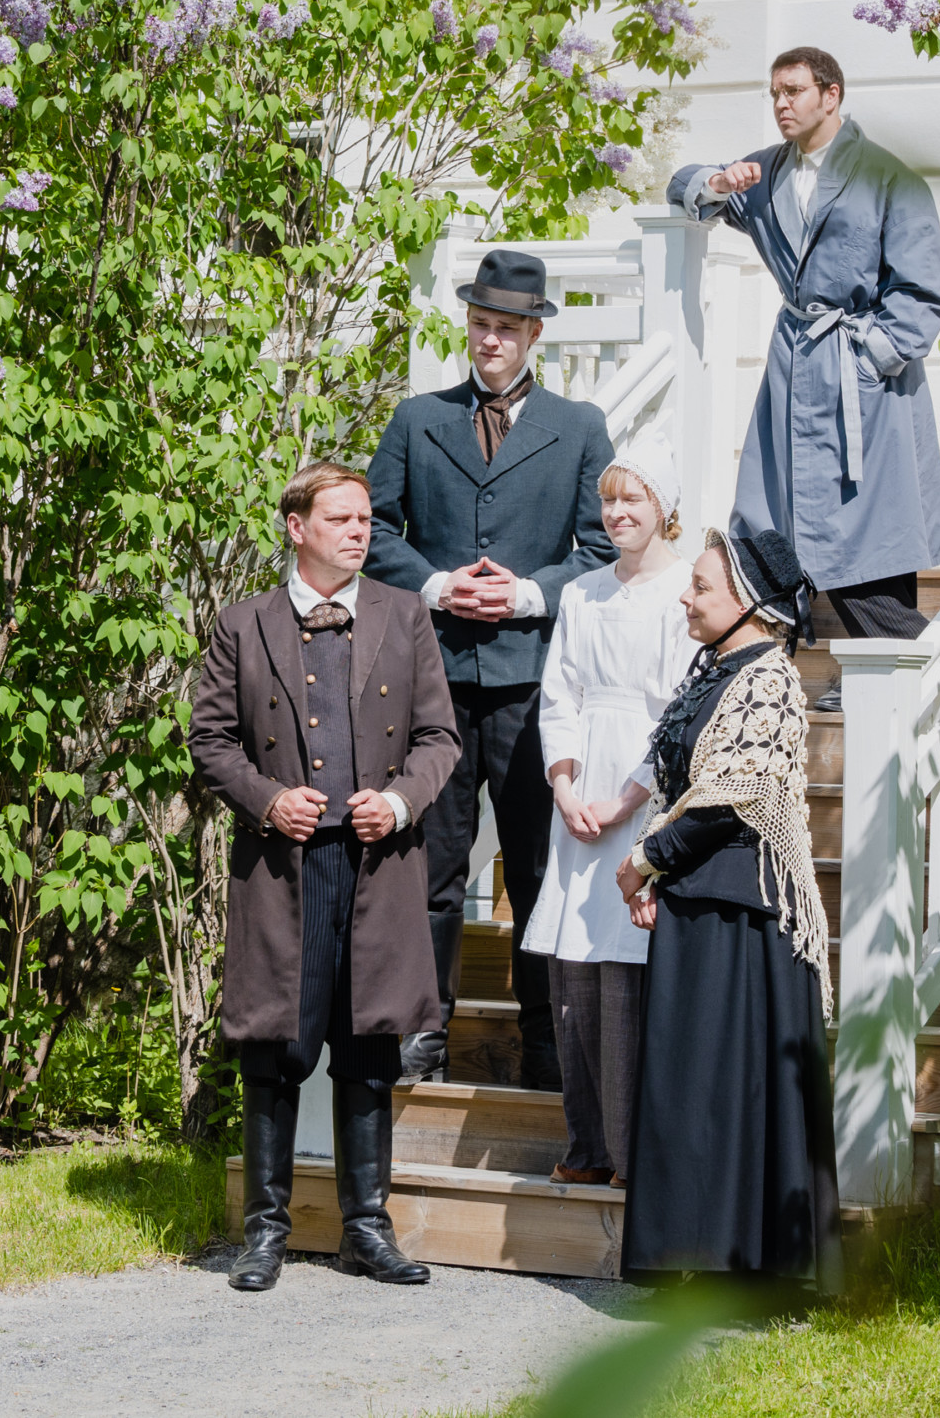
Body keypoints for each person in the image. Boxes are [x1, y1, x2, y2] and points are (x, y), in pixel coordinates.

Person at [189, 462, 462, 1293]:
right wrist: (269, 802)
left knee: (371, 1046)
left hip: (379, 865)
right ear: (295, 526)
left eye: (365, 518)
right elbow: (210, 740)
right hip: (284, 870)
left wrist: (401, 801)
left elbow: (438, 738)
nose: (359, 530)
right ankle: (264, 1232)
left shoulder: (406, 614)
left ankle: (366, 1230)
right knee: (274, 1047)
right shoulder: (243, 625)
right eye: (340, 518)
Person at [365, 248, 616, 1088]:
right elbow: (375, 532)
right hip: (431, 680)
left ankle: (548, 1045)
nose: (489, 341)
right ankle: (421, 1038)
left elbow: (603, 546)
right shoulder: (416, 419)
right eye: (479, 324)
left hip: (530, 682)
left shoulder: (578, 428)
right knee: (429, 867)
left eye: (505, 328)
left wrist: (528, 596)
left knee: (539, 868)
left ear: (534, 333)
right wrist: (436, 584)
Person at [669, 45, 940, 708]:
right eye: (774, 92)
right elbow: (684, 186)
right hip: (792, 368)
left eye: (794, 91)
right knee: (770, 517)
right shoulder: (766, 173)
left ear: (832, 95)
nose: (781, 104)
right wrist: (717, 184)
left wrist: (869, 357)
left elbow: (923, 293)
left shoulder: (888, 176)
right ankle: (781, 674)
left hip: (865, 385)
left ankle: (896, 677)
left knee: (868, 530)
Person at [615, 526, 841, 1291]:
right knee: (694, 1088)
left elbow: (728, 803)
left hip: (746, 912)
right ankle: (698, 1257)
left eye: (703, 586)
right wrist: (657, 867)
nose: (686, 594)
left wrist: (647, 859)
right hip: (700, 900)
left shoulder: (768, 679)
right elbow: (684, 789)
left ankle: (753, 1269)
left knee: (735, 1090)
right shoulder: (715, 670)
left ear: (748, 601)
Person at [519, 447, 696, 1189]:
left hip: (639, 791)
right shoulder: (584, 592)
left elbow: (680, 708)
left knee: (624, 969)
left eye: (635, 501)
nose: (619, 515)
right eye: (610, 502)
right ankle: (586, 1141)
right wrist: (563, 787)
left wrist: (627, 798)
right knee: (574, 968)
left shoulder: (684, 591)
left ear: (664, 509)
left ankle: (632, 1151)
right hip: (579, 790)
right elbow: (558, 695)